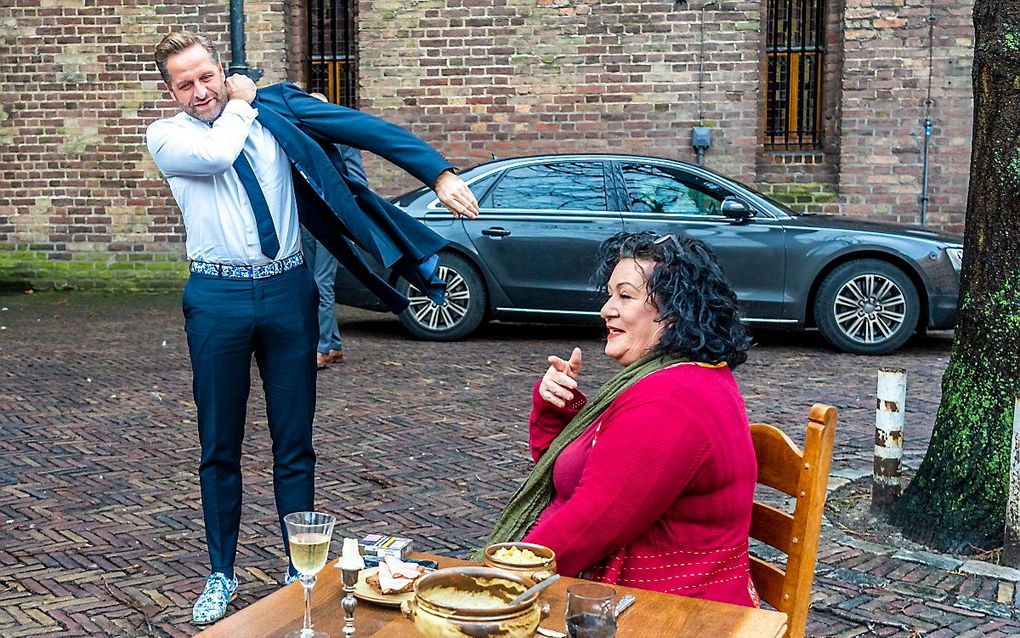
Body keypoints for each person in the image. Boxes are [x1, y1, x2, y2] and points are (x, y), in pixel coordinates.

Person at [146, 31, 478, 624]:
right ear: (170, 91)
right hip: (217, 296)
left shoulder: (276, 106)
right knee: (218, 443)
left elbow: (361, 128)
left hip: (286, 290)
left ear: (223, 69)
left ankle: (297, 566)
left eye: (206, 76)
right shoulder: (169, 137)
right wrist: (243, 101)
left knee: (294, 438)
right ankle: (220, 573)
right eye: (184, 84)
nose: (200, 91)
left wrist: (438, 173)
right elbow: (222, 153)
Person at [484, 231, 759, 607]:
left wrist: (490, 583)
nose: (606, 310)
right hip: (645, 594)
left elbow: (588, 526)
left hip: (672, 611)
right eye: (610, 294)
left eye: (625, 296)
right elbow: (568, 474)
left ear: (675, 311)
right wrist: (555, 407)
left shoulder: (672, 400)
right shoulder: (674, 378)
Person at [303, 93, 367, 369]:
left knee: (321, 283)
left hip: (331, 220)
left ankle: (323, 347)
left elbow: (358, 182)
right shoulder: (299, 139)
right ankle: (335, 344)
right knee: (310, 282)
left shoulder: (341, 142)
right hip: (306, 219)